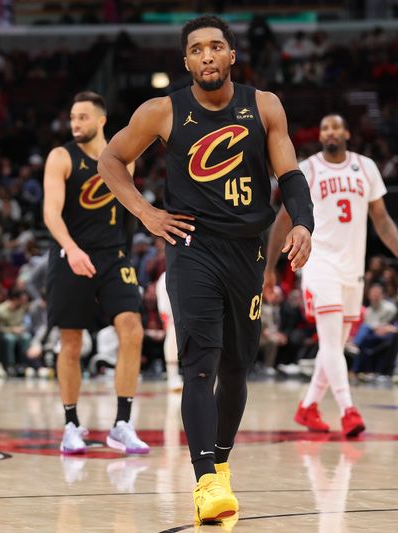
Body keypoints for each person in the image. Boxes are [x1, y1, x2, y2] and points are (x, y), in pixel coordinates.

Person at [98, 16, 314, 524]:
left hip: (248, 250)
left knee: (238, 367)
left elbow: (290, 173)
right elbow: (111, 159)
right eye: (198, 49)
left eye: (217, 46)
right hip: (191, 247)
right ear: (187, 61)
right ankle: (204, 481)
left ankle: (220, 464)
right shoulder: (161, 110)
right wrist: (147, 213)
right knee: (200, 364)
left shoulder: (264, 106)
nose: (208, 56)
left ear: (232, 55)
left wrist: (303, 223)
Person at [264, 113, 398, 437]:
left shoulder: (366, 167)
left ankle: (308, 407)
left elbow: (382, 219)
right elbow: (283, 220)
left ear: (347, 132)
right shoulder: (307, 169)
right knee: (333, 343)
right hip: (319, 264)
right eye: (324, 128)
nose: (330, 132)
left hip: (353, 269)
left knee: (334, 345)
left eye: (335, 126)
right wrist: (269, 268)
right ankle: (348, 410)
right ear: (320, 136)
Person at [43, 91, 148, 456]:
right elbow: (51, 213)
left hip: (113, 256)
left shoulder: (121, 158)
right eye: (73, 117)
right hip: (71, 254)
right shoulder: (61, 157)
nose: (76, 123)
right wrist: (71, 249)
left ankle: (122, 424)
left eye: (83, 117)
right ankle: (71, 425)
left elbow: (129, 212)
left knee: (132, 329)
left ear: (101, 121)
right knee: (71, 343)